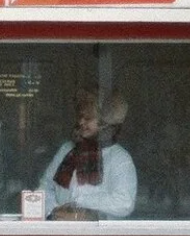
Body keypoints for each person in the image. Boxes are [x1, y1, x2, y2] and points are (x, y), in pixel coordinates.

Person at [39, 86, 137, 220]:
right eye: (80, 117)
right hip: (61, 231)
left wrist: (81, 208)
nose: (81, 122)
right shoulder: (67, 150)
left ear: (105, 123)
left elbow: (124, 203)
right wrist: (53, 212)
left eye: (88, 118)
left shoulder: (119, 158)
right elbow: (45, 188)